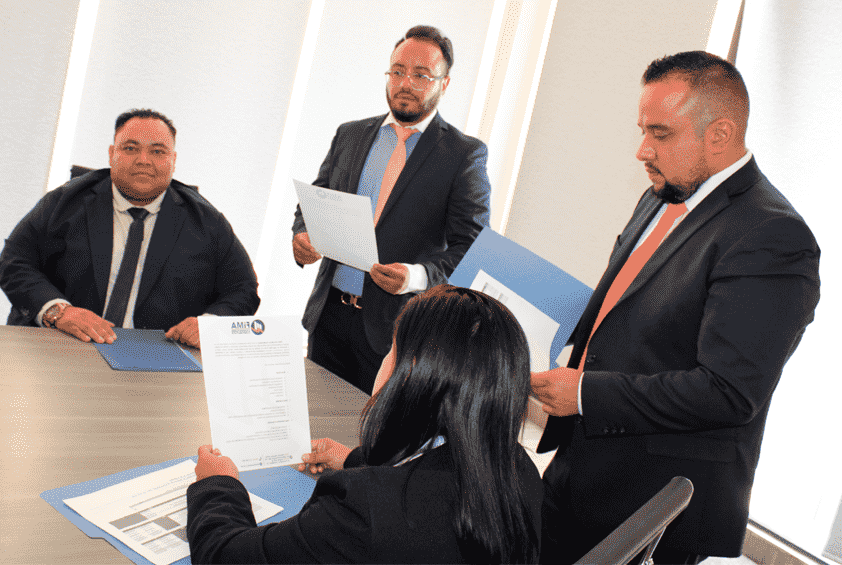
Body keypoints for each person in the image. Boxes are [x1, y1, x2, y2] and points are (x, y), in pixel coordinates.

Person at [532, 51, 820, 563]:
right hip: (579, 470)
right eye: (643, 130)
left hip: (654, 508)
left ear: (720, 134)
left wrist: (586, 394)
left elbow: (730, 391)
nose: (642, 150)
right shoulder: (660, 194)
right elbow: (632, 313)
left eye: (660, 134)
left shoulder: (772, 235)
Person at [187, 285, 542, 563]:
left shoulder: (363, 508)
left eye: (392, 348)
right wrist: (355, 459)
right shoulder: (519, 470)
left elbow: (228, 555)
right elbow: (436, 477)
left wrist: (217, 484)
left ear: (410, 373)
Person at [292, 25, 491, 393]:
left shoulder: (463, 155)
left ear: (444, 84)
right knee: (313, 423)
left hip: (397, 333)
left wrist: (415, 277)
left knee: (369, 430)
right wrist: (302, 235)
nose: (405, 83)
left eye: (421, 75)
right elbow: (316, 199)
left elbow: (473, 249)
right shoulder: (350, 134)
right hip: (328, 317)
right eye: (398, 71)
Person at [0, 109, 259, 348]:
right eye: (131, 148)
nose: (143, 160)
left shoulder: (206, 221)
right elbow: (14, 261)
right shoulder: (65, 202)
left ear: (173, 160)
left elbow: (243, 288)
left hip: (158, 355)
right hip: (64, 343)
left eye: (158, 151)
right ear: (112, 153)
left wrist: (209, 325)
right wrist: (59, 312)